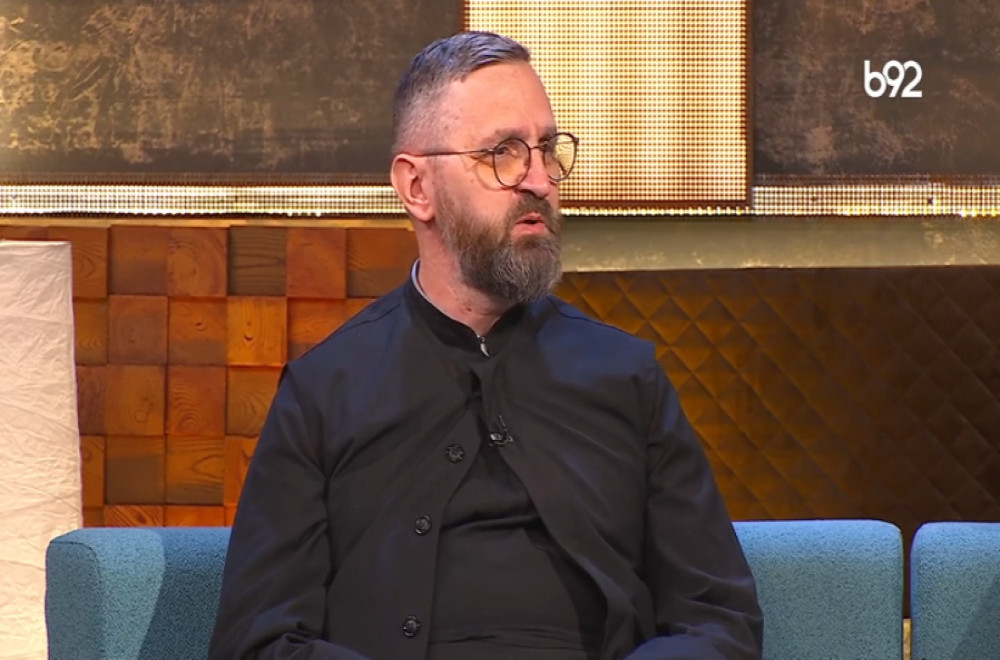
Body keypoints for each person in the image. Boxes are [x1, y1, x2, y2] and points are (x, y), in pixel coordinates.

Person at [209, 30, 763, 660]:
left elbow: (719, 620)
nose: (540, 181)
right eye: (503, 153)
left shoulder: (626, 378)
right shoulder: (325, 392)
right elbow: (258, 643)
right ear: (417, 187)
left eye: (547, 149)